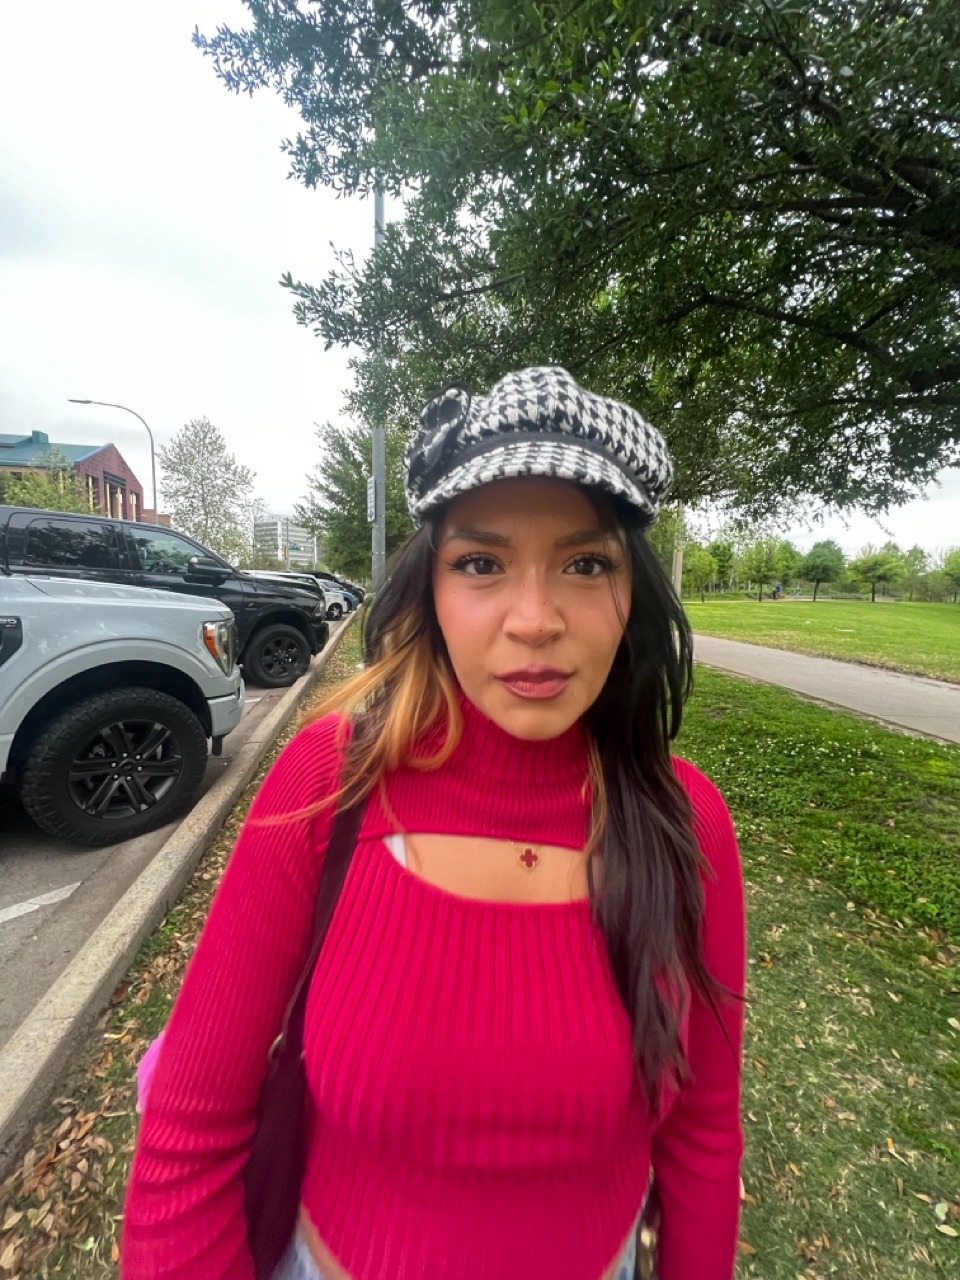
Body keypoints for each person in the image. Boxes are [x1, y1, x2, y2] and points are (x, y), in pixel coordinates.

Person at [122, 367, 746, 1280]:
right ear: (432, 590)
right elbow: (189, 1129)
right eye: (482, 563)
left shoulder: (687, 822)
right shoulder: (330, 780)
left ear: (632, 592)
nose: (535, 621)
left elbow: (703, 1138)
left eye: (585, 564)